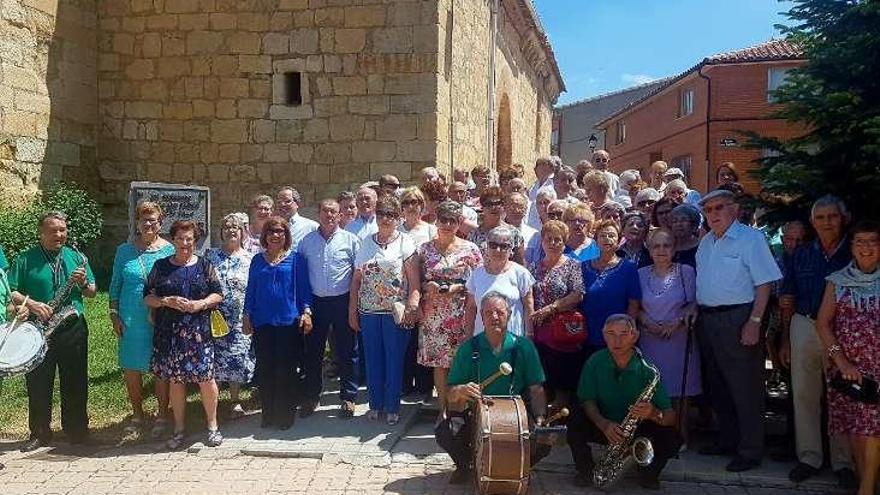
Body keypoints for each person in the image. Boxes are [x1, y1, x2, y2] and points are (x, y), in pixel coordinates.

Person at [695, 189, 782, 472]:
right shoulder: (706, 242)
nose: (714, 214)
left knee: (745, 388)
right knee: (718, 385)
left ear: (734, 210)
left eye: (719, 207)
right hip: (708, 321)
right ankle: (728, 440)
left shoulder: (751, 239)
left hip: (739, 319)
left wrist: (754, 323)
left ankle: (750, 450)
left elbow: (764, 284)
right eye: (708, 210)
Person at [778, 195, 855, 486]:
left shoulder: (853, 251)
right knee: (804, 394)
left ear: (842, 218)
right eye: (820, 218)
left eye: (832, 216)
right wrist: (785, 339)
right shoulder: (802, 253)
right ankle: (809, 456)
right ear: (813, 222)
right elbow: (787, 299)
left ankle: (843, 462)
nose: (826, 222)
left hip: (842, 332)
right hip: (804, 325)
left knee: (841, 396)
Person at [436, 292, 548, 484]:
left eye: (499, 312)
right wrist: (461, 390)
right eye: (488, 313)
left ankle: (516, 467)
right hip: (476, 415)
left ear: (510, 314)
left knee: (545, 439)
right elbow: (450, 393)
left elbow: (536, 388)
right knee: (444, 431)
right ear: (481, 316)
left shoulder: (524, 347)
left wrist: (539, 418)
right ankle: (467, 466)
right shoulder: (468, 349)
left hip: (515, 416)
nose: (494, 317)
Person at [10, 211, 97, 452]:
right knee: (38, 382)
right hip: (38, 328)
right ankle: (39, 432)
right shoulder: (25, 259)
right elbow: (11, 291)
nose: (59, 235)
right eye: (53, 231)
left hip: (72, 328)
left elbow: (91, 291)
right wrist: (33, 304)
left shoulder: (76, 257)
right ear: (41, 233)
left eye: (62, 230)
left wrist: (81, 283)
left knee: (76, 380)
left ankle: (77, 431)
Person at [567, 314, 680, 490]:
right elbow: (586, 400)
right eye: (611, 334)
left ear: (634, 336)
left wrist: (653, 414)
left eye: (624, 334)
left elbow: (670, 416)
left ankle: (649, 474)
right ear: (603, 335)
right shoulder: (594, 362)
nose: (617, 340)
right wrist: (603, 424)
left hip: (635, 431)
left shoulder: (649, 370)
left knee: (669, 435)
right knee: (575, 418)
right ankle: (585, 471)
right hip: (604, 426)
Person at [143, 220, 224, 449]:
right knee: (176, 381)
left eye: (189, 239)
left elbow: (218, 294)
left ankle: (212, 426)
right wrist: (165, 301)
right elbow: (147, 297)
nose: (185, 243)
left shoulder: (205, 265)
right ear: (173, 240)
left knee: (206, 379)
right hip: (170, 334)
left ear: (195, 241)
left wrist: (201, 304)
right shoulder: (160, 267)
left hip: (199, 332)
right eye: (180, 238)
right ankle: (179, 429)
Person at [815, 220, 880, 495]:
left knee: (872, 431)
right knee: (855, 429)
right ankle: (867, 481)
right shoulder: (838, 281)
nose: (866, 247)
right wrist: (840, 361)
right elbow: (823, 324)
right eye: (859, 241)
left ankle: (865, 488)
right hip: (849, 370)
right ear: (851, 246)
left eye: (873, 241)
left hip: (877, 368)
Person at [349, 195, 420, 425]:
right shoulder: (367, 242)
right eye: (381, 214)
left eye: (390, 215)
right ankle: (374, 405)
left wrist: (412, 305)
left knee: (394, 359)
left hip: (394, 312)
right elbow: (357, 279)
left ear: (398, 218)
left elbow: (414, 282)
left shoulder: (405, 242)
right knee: (372, 359)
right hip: (369, 311)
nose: (385, 219)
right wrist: (352, 310)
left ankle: (391, 406)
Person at [109, 201, 175, 438]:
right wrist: (113, 312)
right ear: (137, 223)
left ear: (160, 222)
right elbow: (115, 284)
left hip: (159, 318)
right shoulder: (124, 251)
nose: (148, 224)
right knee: (132, 367)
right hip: (130, 317)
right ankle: (137, 414)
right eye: (143, 220)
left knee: (159, 368)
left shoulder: (169, 249)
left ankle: (162, 414)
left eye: (153, 220)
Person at [243, 216, 313, 430]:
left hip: (288, 322)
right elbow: (251, 289)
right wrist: (247, 315)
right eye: (271, 231)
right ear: (265, 236)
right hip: (263, 321)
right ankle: (268, 414)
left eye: (280, 231)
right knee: (265, 369)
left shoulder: (296, 259)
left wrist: (307, 312)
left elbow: (304, 290)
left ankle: (285, 414)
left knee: (286, 369)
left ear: (286, 235)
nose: (275, 235)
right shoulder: (257, 260)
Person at [416, 201, 483, 410]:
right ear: (436, 221)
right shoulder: (425, 249)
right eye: (443, 220)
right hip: (434, 316)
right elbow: (417, 280)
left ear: (458, 223)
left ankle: (461, 408)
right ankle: (443, 410)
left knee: (460, 362)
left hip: (461, 314)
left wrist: (458, 288)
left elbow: (479, 281)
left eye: (452, 221)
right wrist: (428, 285)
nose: (447, 224)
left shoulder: (470, 249)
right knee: (439, 364)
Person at [298, 200, 361, 419]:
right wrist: (305, 308)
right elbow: (302, 277)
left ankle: (348, 397)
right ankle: (311, 396)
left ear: (340, 215)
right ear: (318, 213)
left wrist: (354, 305)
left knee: (347, 351)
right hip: (316, 303)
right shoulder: (306, 242)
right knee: (312, 352)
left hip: (342, 301)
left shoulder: (351, 240)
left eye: (333, 211)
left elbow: (357, 274)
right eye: (325, 211)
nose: (329, 215)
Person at [638, 228, 700, 447]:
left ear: (674, 249)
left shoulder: (686, 272)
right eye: (656, 246)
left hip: (679, 338)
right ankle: (653, 436)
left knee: (679, 394)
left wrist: (677, 322)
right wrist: (648, 323)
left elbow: (694, 302)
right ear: (649, 249)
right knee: (652, 389)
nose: (661, 250)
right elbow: (635, 306)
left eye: (666, 245)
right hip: (650, 339)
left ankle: (680, 436)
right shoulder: (641, 273)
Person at [528, 220, 585, 410]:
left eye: (558, 240)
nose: (553, 243)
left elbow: (578, 294)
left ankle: (560, 430)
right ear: (542, 242)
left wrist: (551, 308)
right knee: (540, 383)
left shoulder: (573, 265)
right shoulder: (534, 267)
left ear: (564, 242)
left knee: (562, 386)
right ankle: (542, 426)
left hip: (563, 335)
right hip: (538, 334)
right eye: (549, 239)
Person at [205, 213, 256, 418]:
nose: (231, 230)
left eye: (236, 227)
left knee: (236, 359)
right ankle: (213, 402)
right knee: (214, 359)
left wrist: (250, 315)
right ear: (221, 232)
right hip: (214, 317)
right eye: (227, 227)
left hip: (239, 319)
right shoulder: (210, 256)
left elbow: (254, 290)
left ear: (243, 232)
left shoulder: (251, 259)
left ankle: (235, 401)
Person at [580, 219, 641, 352]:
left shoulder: (628, 268)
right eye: (602, 235)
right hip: (587, 335)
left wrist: (628, 334)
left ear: (619, 241)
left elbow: (633, 304)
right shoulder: (583, 267)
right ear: (596, 240)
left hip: (618, 337)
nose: (607, 239)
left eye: (611, 235)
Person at [465, 226, 535, 337]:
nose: (498, 250)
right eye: (493, 245)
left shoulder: (521, 273)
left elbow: (528, 306)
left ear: (511, 249)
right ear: (487, 247)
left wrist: (529, 335)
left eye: (504, 246)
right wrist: (468, 338)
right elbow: (471, 308)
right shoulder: (477, 275)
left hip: (513, 339)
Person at [468, 186, 524, 264]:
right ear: (482, 207)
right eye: (489, 204)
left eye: (497, 203)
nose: (493, 207)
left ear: (503, 206)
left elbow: (520, 264)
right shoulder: (474, 235)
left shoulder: (514, 233)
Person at [275, 186, 318, 251]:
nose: (282, 204)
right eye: (279, 202)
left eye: (287, 201)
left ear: (297, 203)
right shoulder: (272, 227)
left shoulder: (311, 227)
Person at [669, 204, 702, 268]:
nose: (679, 224)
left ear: (694, 225)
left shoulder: (701, 247)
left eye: (684, 220)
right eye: (675, 221)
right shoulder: (667, 247)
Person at [527, 157, 555, 229]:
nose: (536, 170)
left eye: (543, 166)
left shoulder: (553, 182)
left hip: (547, 216)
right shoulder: (534, 184)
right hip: (534, 219)